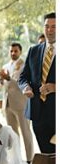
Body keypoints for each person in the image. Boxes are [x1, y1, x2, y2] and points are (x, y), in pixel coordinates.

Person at [19, 12, 56, 154]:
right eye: (47, 27)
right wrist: (25, 87)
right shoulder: (34, 51)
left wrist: (55, 87)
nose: (50, 31)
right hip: (37, 113)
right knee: (46, 156)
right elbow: (23, 77)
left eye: (54, 27)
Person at [0, 42, 34, 160]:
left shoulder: (24, 65)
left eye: (15, 51)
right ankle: (16, 161)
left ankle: (30, 160)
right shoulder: (6, 66)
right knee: (13, 135)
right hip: (7, 105)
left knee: (26, 133)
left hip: (21, 104)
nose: (13, 53)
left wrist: (8, 78)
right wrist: (2, 79)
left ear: (20, 52)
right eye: (11, 51)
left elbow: (20, 83)